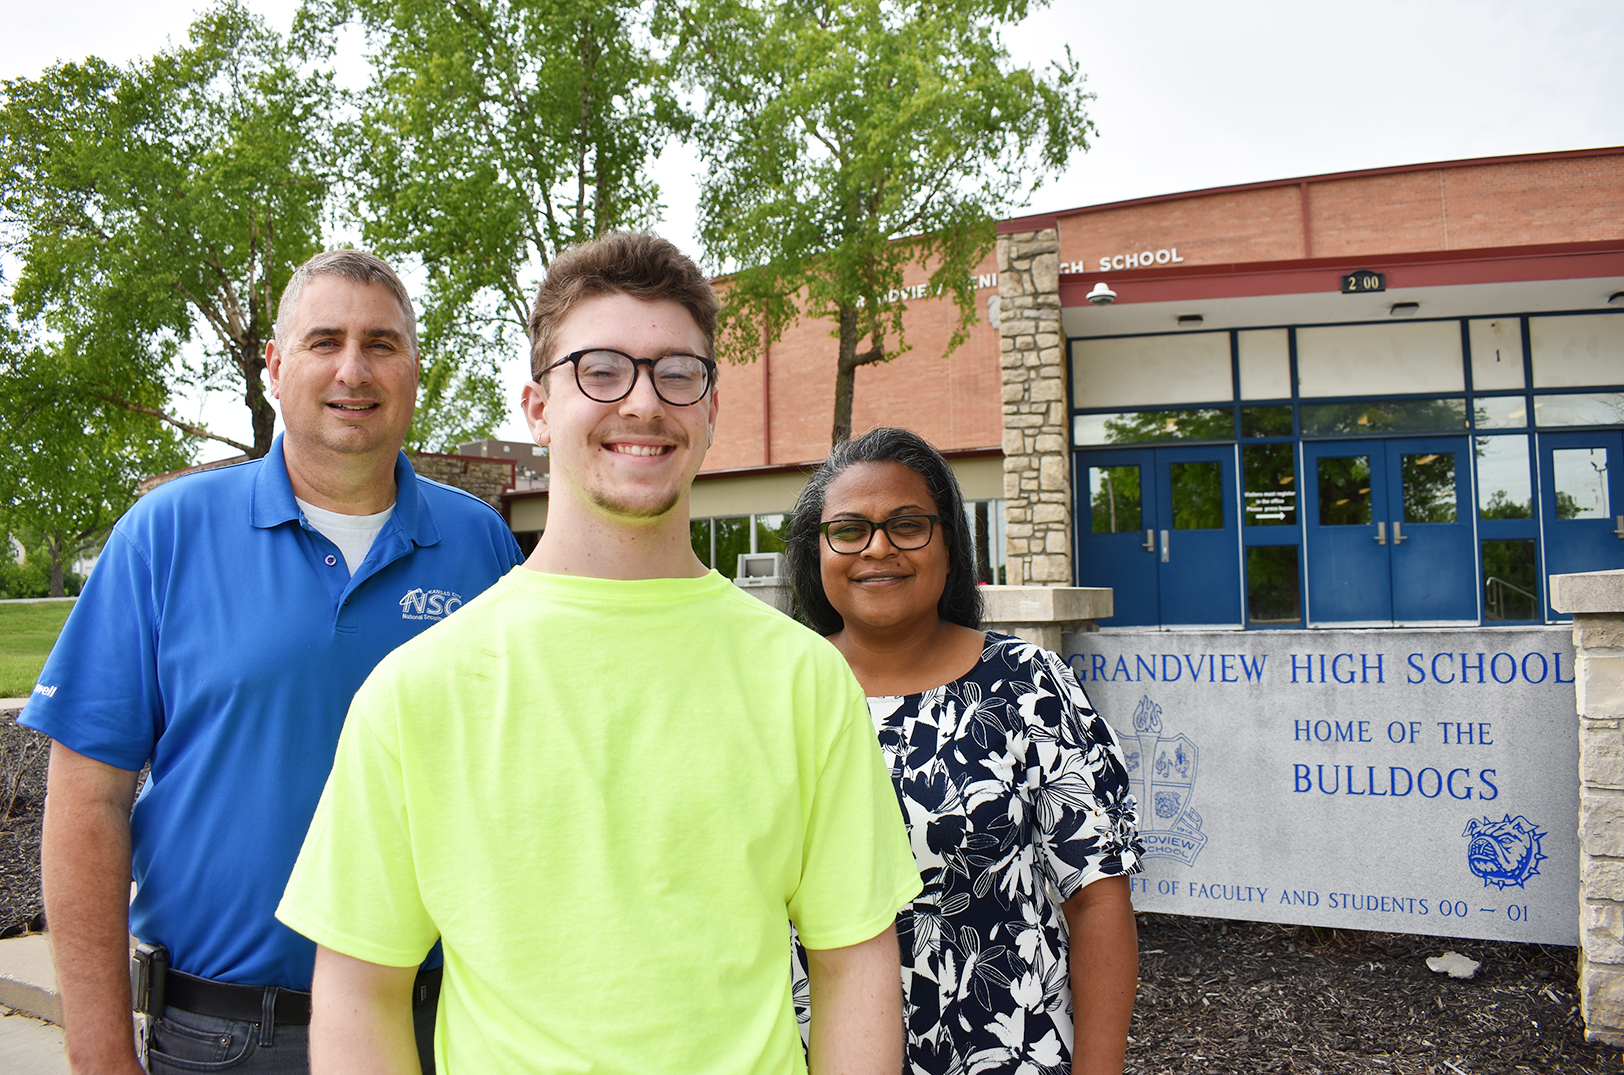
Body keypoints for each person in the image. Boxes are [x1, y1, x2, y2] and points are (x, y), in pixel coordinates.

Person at [275, 232, 922, 1075]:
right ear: (538, 408)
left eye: (676, 372)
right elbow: (361, 989)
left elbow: (854, 964)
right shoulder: (418, 689)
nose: (643, 402)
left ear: (712, 407)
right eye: (601, 369)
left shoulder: (803, 678)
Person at [23, 249, 524, 1075]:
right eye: (325, 340)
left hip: (441, 1031)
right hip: (224, 1037)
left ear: (415, 367)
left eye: (383, 344)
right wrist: (102, 1054)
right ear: (277, 364)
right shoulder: (165, 535)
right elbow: (87, 800)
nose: (353, 370)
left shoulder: (483, 548)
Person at [782, 426, 1145, 1075]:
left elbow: (1098, 899)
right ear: (817, 552)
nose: (878, 547)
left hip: (1007, 1051)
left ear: (950, 544)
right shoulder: (777, 698)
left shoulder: (1028, 686)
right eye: (849, 529)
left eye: (907, 524)